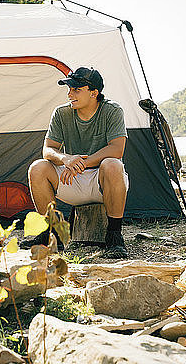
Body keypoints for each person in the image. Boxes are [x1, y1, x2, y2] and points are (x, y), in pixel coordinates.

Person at [22, 67, 129, 258]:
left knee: (113, 164)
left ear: (94, 93)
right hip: (72, 178)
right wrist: (66, 159)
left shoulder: (112, 111)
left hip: (102, 181)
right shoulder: (61, 113)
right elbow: (48, 149)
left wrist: (82, 163)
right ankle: (52, 235)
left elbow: (117, 149)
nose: (70, 94)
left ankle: (114, 236)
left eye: (76, 89)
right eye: (69, 89)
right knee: (37, 168)